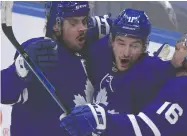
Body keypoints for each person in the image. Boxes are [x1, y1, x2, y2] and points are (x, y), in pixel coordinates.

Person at [60, 26, 187, 136]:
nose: (179, 45)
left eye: (186, 47)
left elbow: (146, 129)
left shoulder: (186, 90)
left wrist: (101, 119)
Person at [59, 8, 181, 136]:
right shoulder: (99, 52)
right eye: (121, 43)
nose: (126, 53)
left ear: (145, 47)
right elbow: (66, 39)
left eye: (134, 46)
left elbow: (183, 74)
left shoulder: (152, 70)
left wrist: (175, 65)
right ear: (111, 41)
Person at [1, 1, 111, 136]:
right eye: (74, 23)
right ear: (56, 25)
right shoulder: (39, 52)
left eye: (84, 21)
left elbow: (115, 27)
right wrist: (19, 69)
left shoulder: (88, 48)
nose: (82, 28)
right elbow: (4, 94)